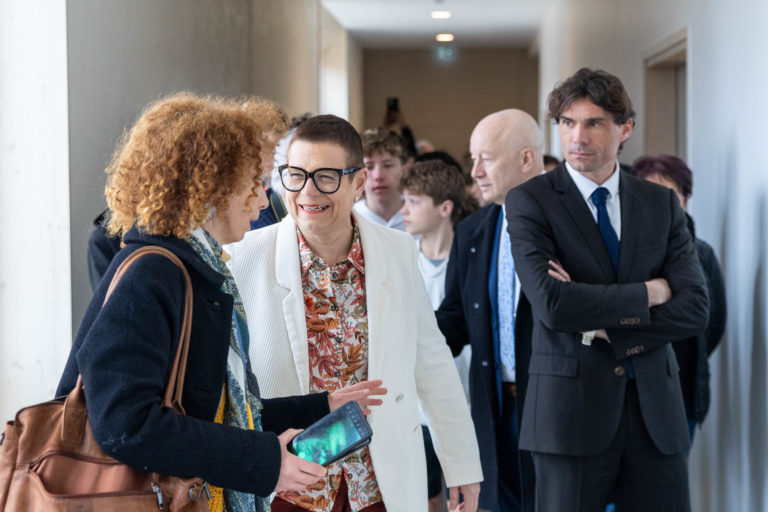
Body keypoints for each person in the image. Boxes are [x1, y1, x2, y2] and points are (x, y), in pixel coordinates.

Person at [56, 93, 385, 512]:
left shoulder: (196, 267)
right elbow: (126, 425)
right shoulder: (154, 273)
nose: (265, 201)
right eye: (255, 184)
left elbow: (214, 409)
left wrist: (321, 406)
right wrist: (265, 461)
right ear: (210, 186)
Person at [227, 115, 483, 512]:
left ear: (358, 182)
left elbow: (432, 363)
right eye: (295, 175)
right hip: (288, 485)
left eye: (326, 176)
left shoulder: (396, 251)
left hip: (378, 480)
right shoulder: (244, 256)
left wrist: (462, 465)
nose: (308, 191)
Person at [505, 68, 709, 512]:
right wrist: (650, 293)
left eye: (593, 122)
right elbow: (554, 305)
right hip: (568, 416)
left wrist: (603, 327)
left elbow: (695, 308)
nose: (577, 137)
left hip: (655, 415)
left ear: (625, 129)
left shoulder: (660, 203)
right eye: (567, 122)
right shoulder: (530, 201)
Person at [436, 109, 544, 512]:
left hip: (553, 408)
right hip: (493, 409)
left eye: (487, 158)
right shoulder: (472, 230)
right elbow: (455, 319)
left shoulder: (567, 225)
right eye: (473, 158)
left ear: (526, 159)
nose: (475, 171)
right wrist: (404, 334)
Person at [400, 159, 478, 512]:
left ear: (445, 208)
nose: (404, 210)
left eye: (414, 201)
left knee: (464, 495)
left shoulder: (471, 263)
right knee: (425, 496)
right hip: (414, 408)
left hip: (465, 398)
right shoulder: (400, 258)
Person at [632, 154, 727, 442]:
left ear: (685, 199)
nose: (661, 203)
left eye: (671, 194)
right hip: (629, 391)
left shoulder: (702, 254)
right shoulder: (623, 254)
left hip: (682, 390)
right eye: (651, 193)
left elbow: (713, 323)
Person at [353, 127, 409, 231]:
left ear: (404, 170)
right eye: (369, 167)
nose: (378, 176)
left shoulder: (422, 218)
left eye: (387, 165)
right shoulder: (348, 220)